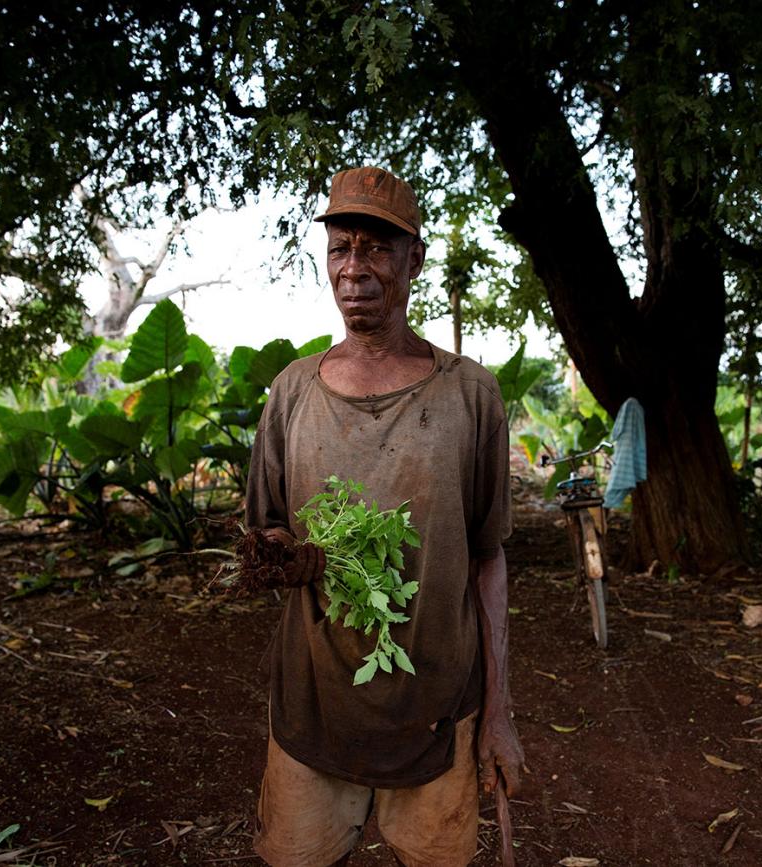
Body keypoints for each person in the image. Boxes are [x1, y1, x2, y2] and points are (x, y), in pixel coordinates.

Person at [245, 165, 525, 866]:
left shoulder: (472, 397)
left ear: (414, 260)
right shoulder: (290, 394)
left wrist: (499, 712)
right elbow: (267, 527)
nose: (355, 268)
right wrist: (283, 555)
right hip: (314, 711)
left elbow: (488, 558)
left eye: (376, 247)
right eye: (341, 247)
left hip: (435, 710)